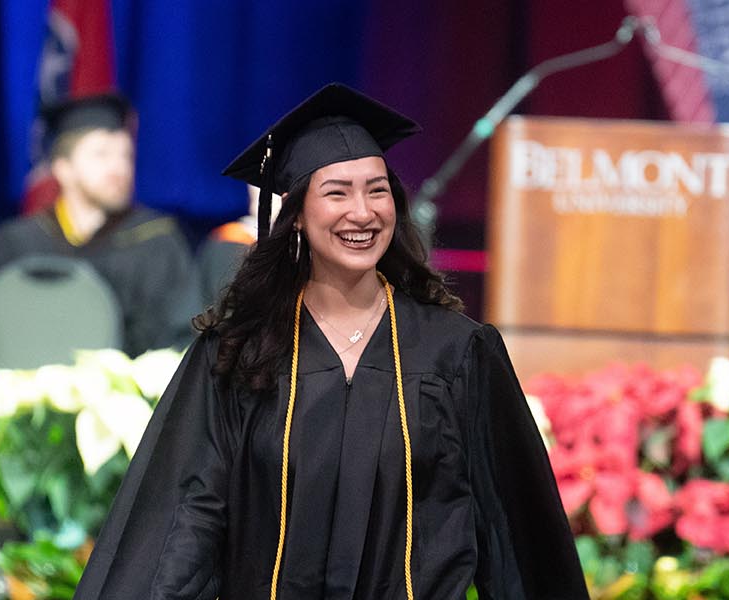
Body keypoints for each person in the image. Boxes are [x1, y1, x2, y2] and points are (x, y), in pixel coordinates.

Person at [75, 83, 588, 599]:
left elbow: (514, 533)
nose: (362, 212)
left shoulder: (455, 353)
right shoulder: (240, 352)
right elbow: (187, 516)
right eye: (337, 192)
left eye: (377, 189)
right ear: (295, 212)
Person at [0, 94, 203, 356]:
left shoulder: (157, 243)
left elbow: (176, 345)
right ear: (63, 169)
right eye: (101, 154)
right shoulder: (11, 245)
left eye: (125, 155)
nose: (118, 168)